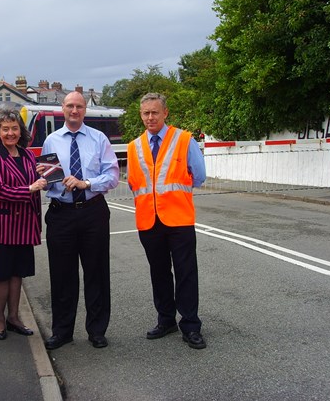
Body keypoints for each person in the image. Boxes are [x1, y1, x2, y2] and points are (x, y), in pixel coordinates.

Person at [127, 92, 207, 349]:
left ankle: (191, 325)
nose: (150, 117)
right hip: (149, 220)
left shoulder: (184, 139)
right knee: (159, 272)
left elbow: (199, 176)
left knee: (186, 273)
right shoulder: (134, 146)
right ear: (141, 115)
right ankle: (166, 319)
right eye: (145, 113)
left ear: (165, 113)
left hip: (179, 218)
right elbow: (133, 183)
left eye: (154, 112)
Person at [39, 91, 119, 350]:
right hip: (61, 213)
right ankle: (62, 332)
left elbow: (113, 176)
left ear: (85, 110)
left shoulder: (99, 139)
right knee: (62, 276)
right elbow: (48, 181)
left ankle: (97, 330)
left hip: (93, 212)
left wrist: (86, 183)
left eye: (79, 107)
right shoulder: (51, 141)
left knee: (96, 272)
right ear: (62, 108)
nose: (74, 111)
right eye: (70, 106)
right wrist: (44, 179)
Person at [0, 109, 47, 340]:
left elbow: (37, 186)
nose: (10, 133)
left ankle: (14, 317)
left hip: (25, 224)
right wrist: (29, 188)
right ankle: (0, 319)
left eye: (14, 128)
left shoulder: (28, 155)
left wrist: (44, 180)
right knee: (1, 275)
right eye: (6, 129)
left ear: (21, 131)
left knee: (18, 274)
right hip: (2, 226)